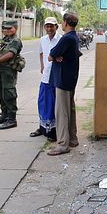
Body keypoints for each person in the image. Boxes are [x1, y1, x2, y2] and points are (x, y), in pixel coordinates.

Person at [47, 12, 80, 156]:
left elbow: (50, 55)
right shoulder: (74, 37)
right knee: (70, 110)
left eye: (62, 21)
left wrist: (55, 56)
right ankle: (72, 138)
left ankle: (62, 144)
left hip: (63, 79)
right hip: (70, 78)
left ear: (65, 22)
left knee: (62, 112)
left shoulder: (66, 38)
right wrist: (56, 56)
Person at [30, 16, 61, 141]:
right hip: (45, 75)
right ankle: (42, 127)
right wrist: (42, 65)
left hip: (55, 76)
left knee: (53, 103)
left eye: (51, 26)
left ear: (56, 27)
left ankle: (52, 131)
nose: (49, 28)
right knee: (42, 102)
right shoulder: (43, 39)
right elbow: (42, 53)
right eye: (47, 26)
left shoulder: (61, 39)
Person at [0, 20, 23, 130]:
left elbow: (10, 54)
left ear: (15, 28)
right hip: (0, 71)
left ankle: (12, 119)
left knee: (9, 93)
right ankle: (4, 114)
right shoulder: (4, 40)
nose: (6, 30)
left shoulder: (16, 41)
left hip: (8, 71)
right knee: (0, 92)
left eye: (9, 28)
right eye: (4, 28)